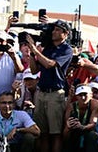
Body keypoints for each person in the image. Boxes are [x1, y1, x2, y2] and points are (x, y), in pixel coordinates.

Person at [21, 20, 73, 152]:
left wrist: (34, 49)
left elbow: (50, 64)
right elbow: (34, 70)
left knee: (55, 133)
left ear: (65, 34)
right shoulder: (48, 48)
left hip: (55, 93)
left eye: (57, 30)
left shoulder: (66, 49)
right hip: (41, 92)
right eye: (53, 29)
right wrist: (33, 54)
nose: (54, 32)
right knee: (42, 132)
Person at [61, 86, 98, 152]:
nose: (83, 98)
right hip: (74, 130)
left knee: (92, 135)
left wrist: (82, 127)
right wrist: (68, 127)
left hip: (87, 129)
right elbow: (65, 129)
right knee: (67, 133)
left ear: (90, 95)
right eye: (80, 95)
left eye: (85, 94)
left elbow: (93, 123)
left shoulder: (95, 104)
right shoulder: (71, 107)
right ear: (76, 96)